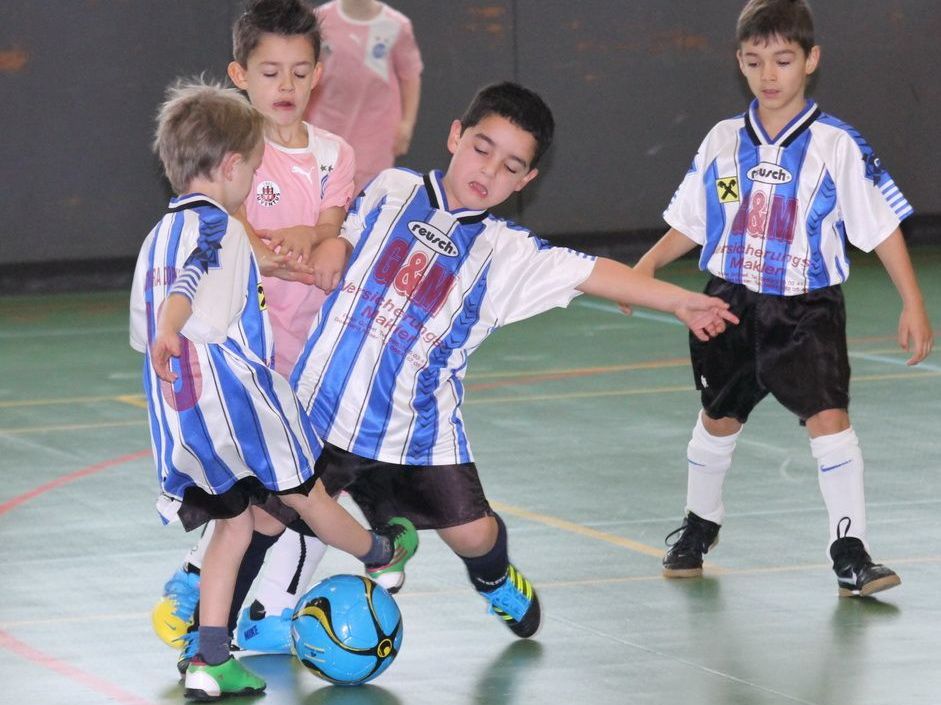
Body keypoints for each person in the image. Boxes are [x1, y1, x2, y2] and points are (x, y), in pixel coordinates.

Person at [291, 81, 739, 638]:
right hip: (320, 407)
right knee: (273, 518)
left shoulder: (508, 253)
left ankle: (496, 580)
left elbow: (592, 271)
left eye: (510, 166)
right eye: (482, 148)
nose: (488, 172)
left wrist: (679, 299)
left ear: (527, 180)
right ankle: (222, 619)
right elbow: (340, 234)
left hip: (416, 428)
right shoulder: (391, 188)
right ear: (456, 135)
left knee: (473, 536)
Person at [131, 77, 418, 699]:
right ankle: (379, 551)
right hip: (237, 399)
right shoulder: (217, 228)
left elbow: (179, 287)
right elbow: (191, 279)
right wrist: (173, 327)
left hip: (179, 415)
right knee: (311, 497)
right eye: (252, 172)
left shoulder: (157, 234)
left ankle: (210, 658)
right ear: (231, 167)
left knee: (233, 528)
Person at [635, 0, 933, 597]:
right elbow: (698, 220)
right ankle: (698, 527)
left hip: (807, 309)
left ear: (810, 61)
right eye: (754, 61)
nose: (769, 75)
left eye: (783, 60)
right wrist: (642, 269)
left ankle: (850, 551)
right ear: (739, 64)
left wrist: (913, 302)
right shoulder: (723, 141)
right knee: (717, 420)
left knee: (830, 421)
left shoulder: (836, 144)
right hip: (728, 305)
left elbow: (879, 226)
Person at [149, 0, 381, 660]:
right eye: (270, 71)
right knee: (254, 491)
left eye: (299, 72)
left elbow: (331, 233)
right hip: (250, 356)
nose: (286, 86)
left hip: (317, 354)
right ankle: (192, 585)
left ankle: (270, 611)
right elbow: (239, 236)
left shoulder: (336, 152)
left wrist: (314, 241)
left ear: (319, 75)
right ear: (239, 75)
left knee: (312, 490)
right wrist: (289, 248)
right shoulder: (233, 155)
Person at [305, 0, 423, 192]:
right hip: (324, 128)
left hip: (375, 137)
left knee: (364, 199)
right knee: (320, 194)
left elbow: (410, 76)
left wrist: (407, 124)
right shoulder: (318, 21)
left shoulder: (396, 26)